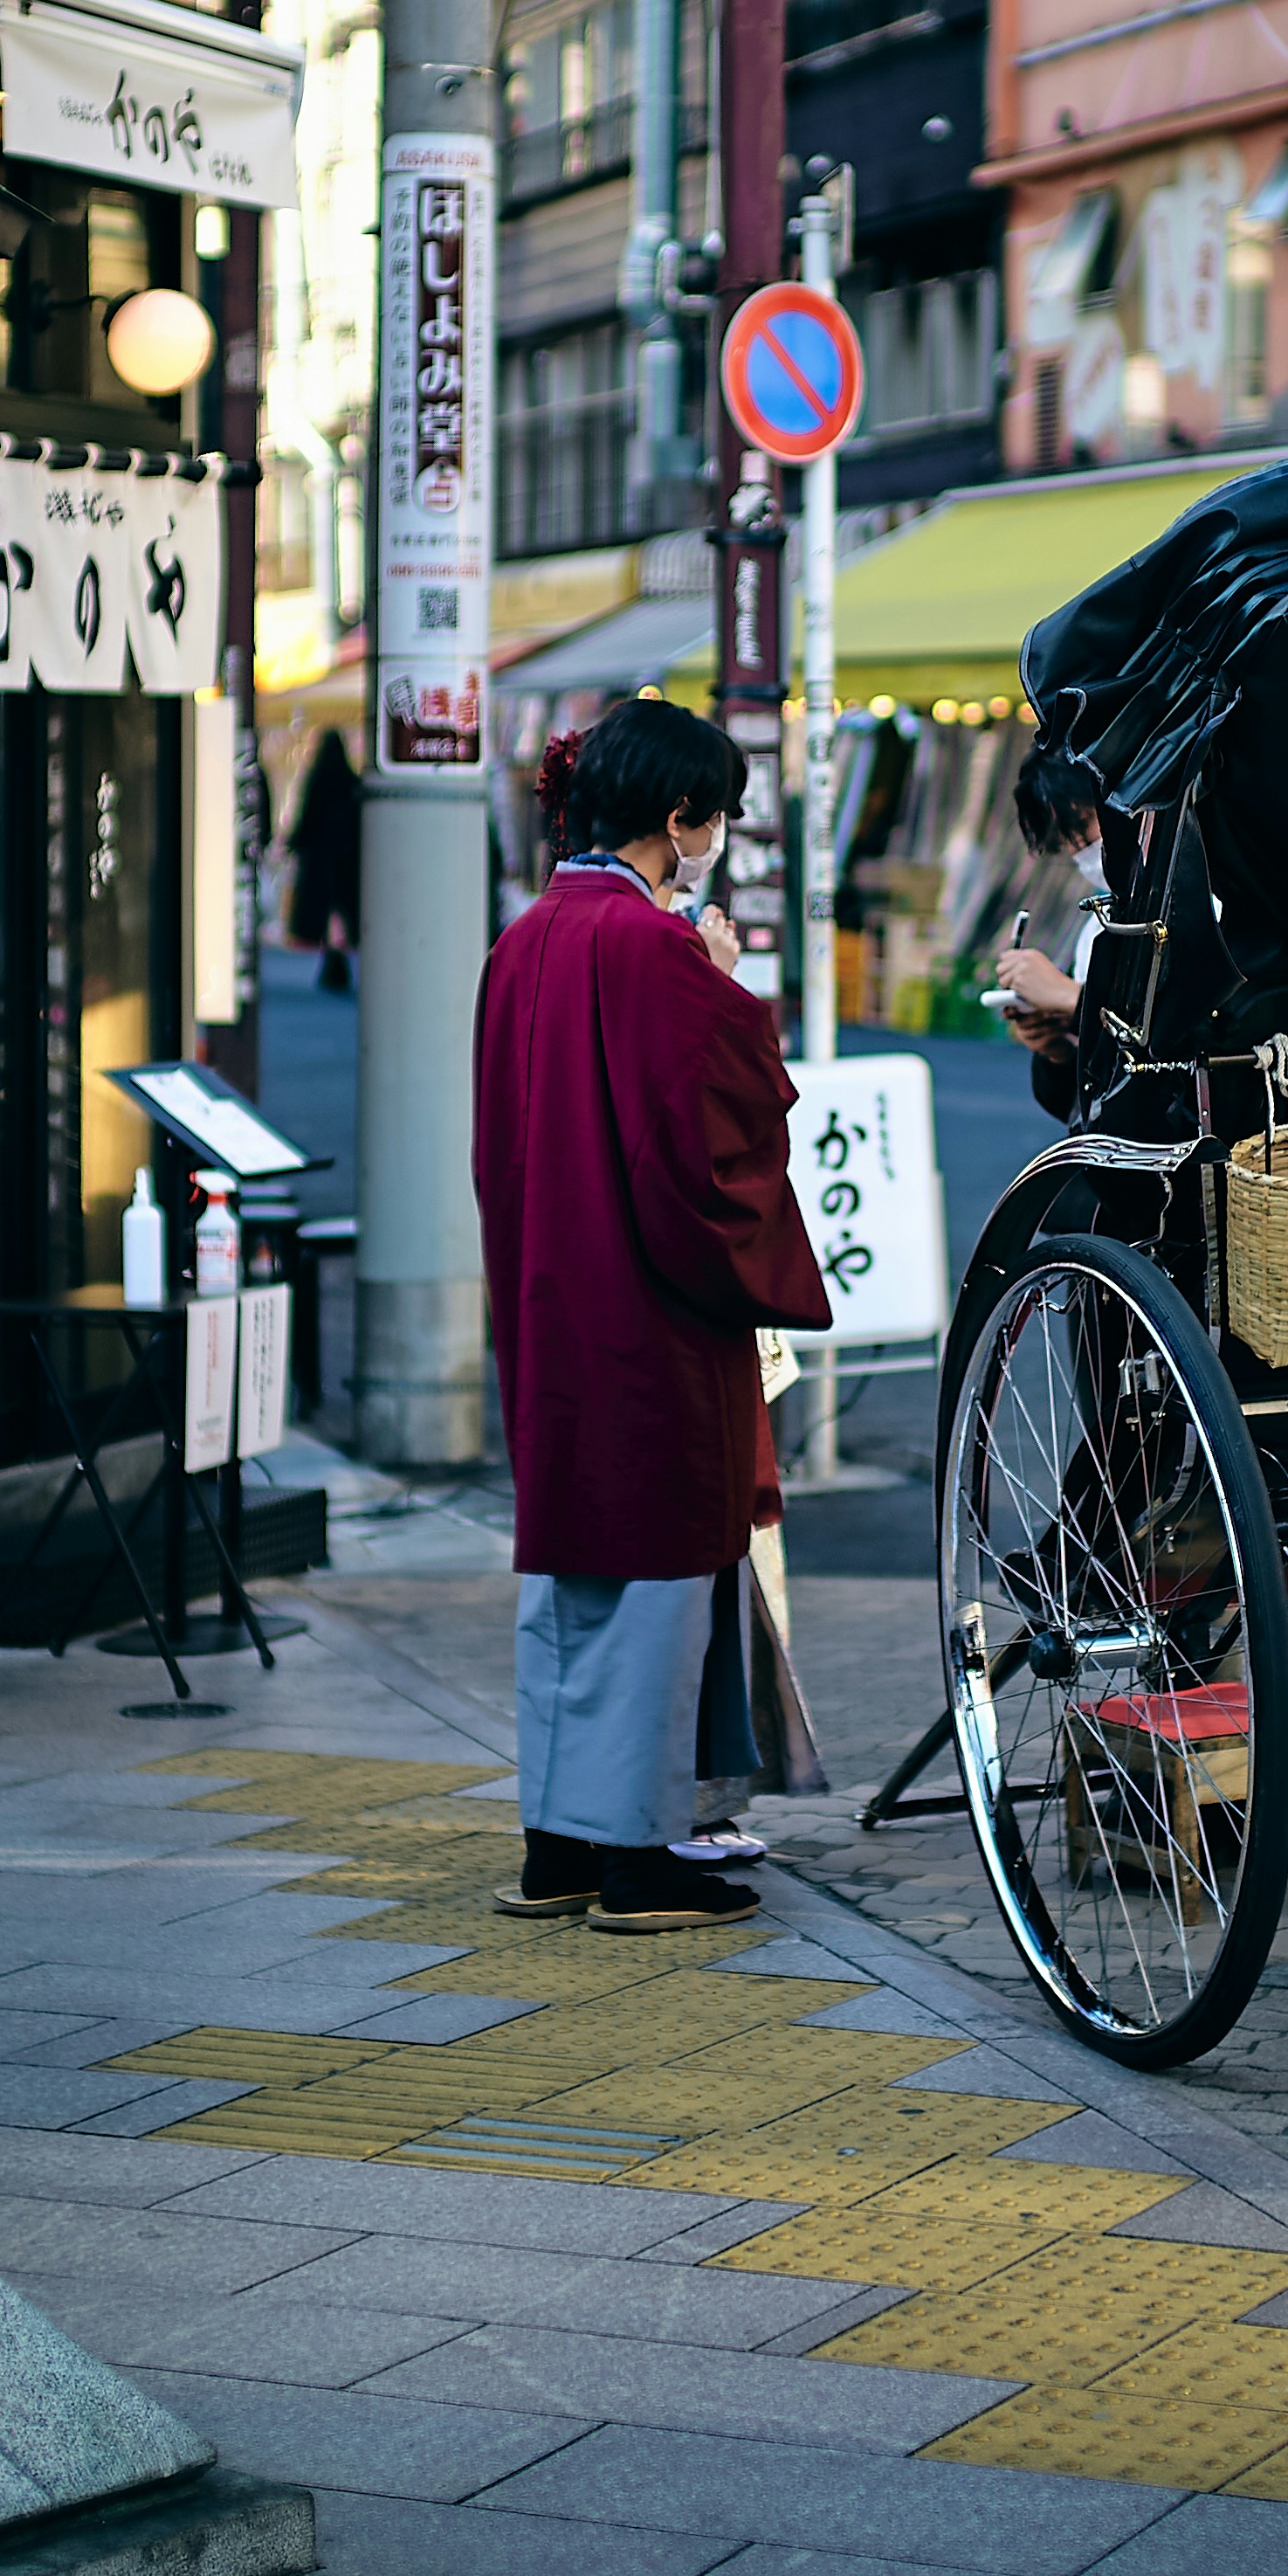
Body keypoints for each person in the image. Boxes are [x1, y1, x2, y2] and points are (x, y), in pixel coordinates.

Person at [473, 697, 834, 1931]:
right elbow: (715, 1137)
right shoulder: (651, 951)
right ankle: (633, 1857)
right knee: (658, 1577)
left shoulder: (523, 942)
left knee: (569, 1575)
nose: (717, 838)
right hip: (650, 1309)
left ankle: (556, 1845)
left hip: (548, 1292)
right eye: (716, 817)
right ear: (678, 819)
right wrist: (722, 981)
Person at [989, 748, 1116, 1107]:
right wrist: (1058, 1051)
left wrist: (1072, 1000)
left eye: (1084, 826)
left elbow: (1183, 1046)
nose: (1081, 851)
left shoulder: (1204, 906)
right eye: (1067, 840)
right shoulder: (1096, 926)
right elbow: (1086, 1102)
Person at [285, 729, 363, 994]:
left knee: (324, 914)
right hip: (347, 864)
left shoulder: (317, 781)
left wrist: (294, 844)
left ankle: (332, 960)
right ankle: (339, 958)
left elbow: (306, 819)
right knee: (343, 914)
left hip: (320, 863)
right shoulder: (351, 782)